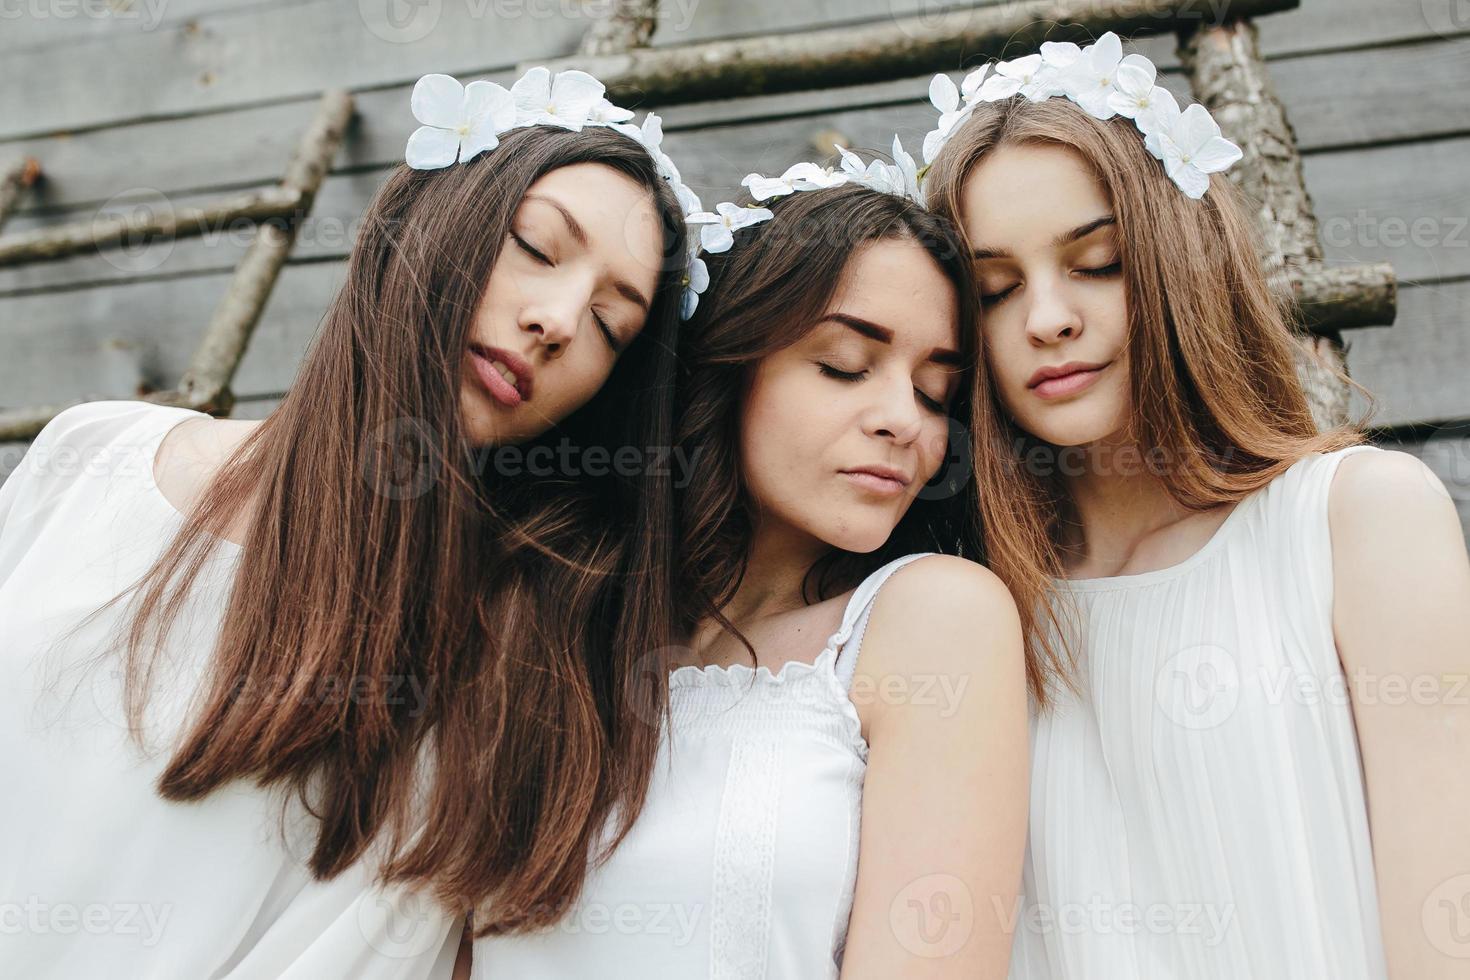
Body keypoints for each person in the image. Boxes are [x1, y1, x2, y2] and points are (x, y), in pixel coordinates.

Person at [0, 66, 697, 978]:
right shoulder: (93, 456)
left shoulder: (511, 662)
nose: (559, 322)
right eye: (535, 245)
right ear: (429, 221)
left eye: (611, 326)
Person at [919, 32, 1470, 979]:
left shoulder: (1361, 521)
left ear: (1180, 261)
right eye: (997, 289)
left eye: (1097, 263)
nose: (1046, 317)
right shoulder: (969, 603)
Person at [465, 144, 1031, 978]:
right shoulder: (537, 609)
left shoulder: (932, 621)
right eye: (846, 365)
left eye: (934, 393)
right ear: (731, 366)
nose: (904, 421)